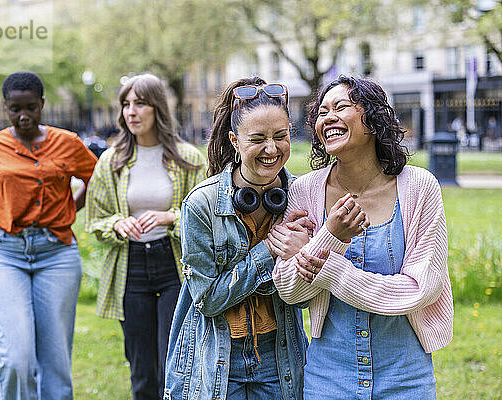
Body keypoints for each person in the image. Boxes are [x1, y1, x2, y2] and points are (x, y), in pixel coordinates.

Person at [273, 75, 454, 399]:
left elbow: (420, 290)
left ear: (373, 119)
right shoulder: (304, 192)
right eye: (322, 112)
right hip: (328, 379)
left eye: (340, 107)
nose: (327, 118)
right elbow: (290, 290)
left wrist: (328, 268)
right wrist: (331, 235)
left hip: (405, 378)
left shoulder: (420, 188)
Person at [163, 77, 312, 400]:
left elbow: (305, 299)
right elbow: (207, 299)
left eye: (281, 136)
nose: (271, 149)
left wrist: (307, 257)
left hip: (280, 354)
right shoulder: (201, 204)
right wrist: (269, 251)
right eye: (257, 138)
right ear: (234, 140)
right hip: (219, 355)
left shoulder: (303, 196)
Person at [0, 71, 98, 399]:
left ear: (42, 104)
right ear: (5, 107)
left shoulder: (67, 142)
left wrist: (70, 210)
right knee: (15, 358)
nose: (23, 116)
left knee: (56, 361)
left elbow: (99, 179)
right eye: (15, 109)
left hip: (57, 254)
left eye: (31, 107)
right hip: (4, 254)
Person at [84, 73, 206, 400]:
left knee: (175, 363)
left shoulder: (189, 158)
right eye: (126, 104)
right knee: (141, 368)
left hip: (174, 266)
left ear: (158, 108)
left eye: (140, 103)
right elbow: (96, 218)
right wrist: (117, 225)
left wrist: (171, 217)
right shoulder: (112, 161)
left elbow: (207, 220)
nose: (131, 112)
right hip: (131, 268)